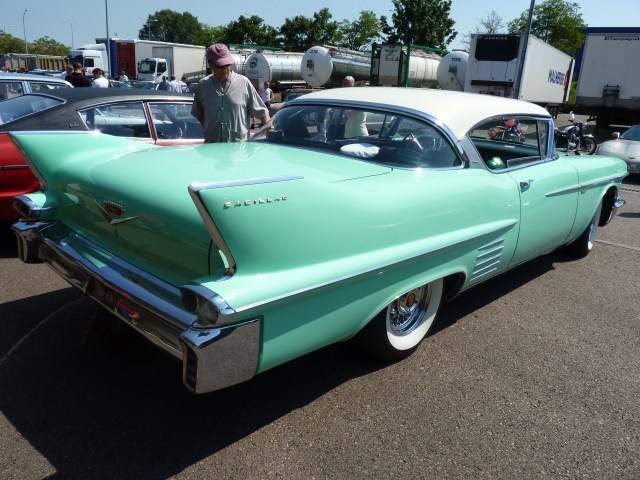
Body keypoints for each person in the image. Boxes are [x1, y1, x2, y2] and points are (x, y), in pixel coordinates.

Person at [191, 43, 269, 143]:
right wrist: (211, 129)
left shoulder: (244, 83)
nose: (225, 69)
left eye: (227, 64)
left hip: (239, 151)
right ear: (210, 64)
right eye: (220, 65)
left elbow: (263, 113)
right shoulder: (203, 85)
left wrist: (270, 135)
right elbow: (199, 114)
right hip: (212, 150)